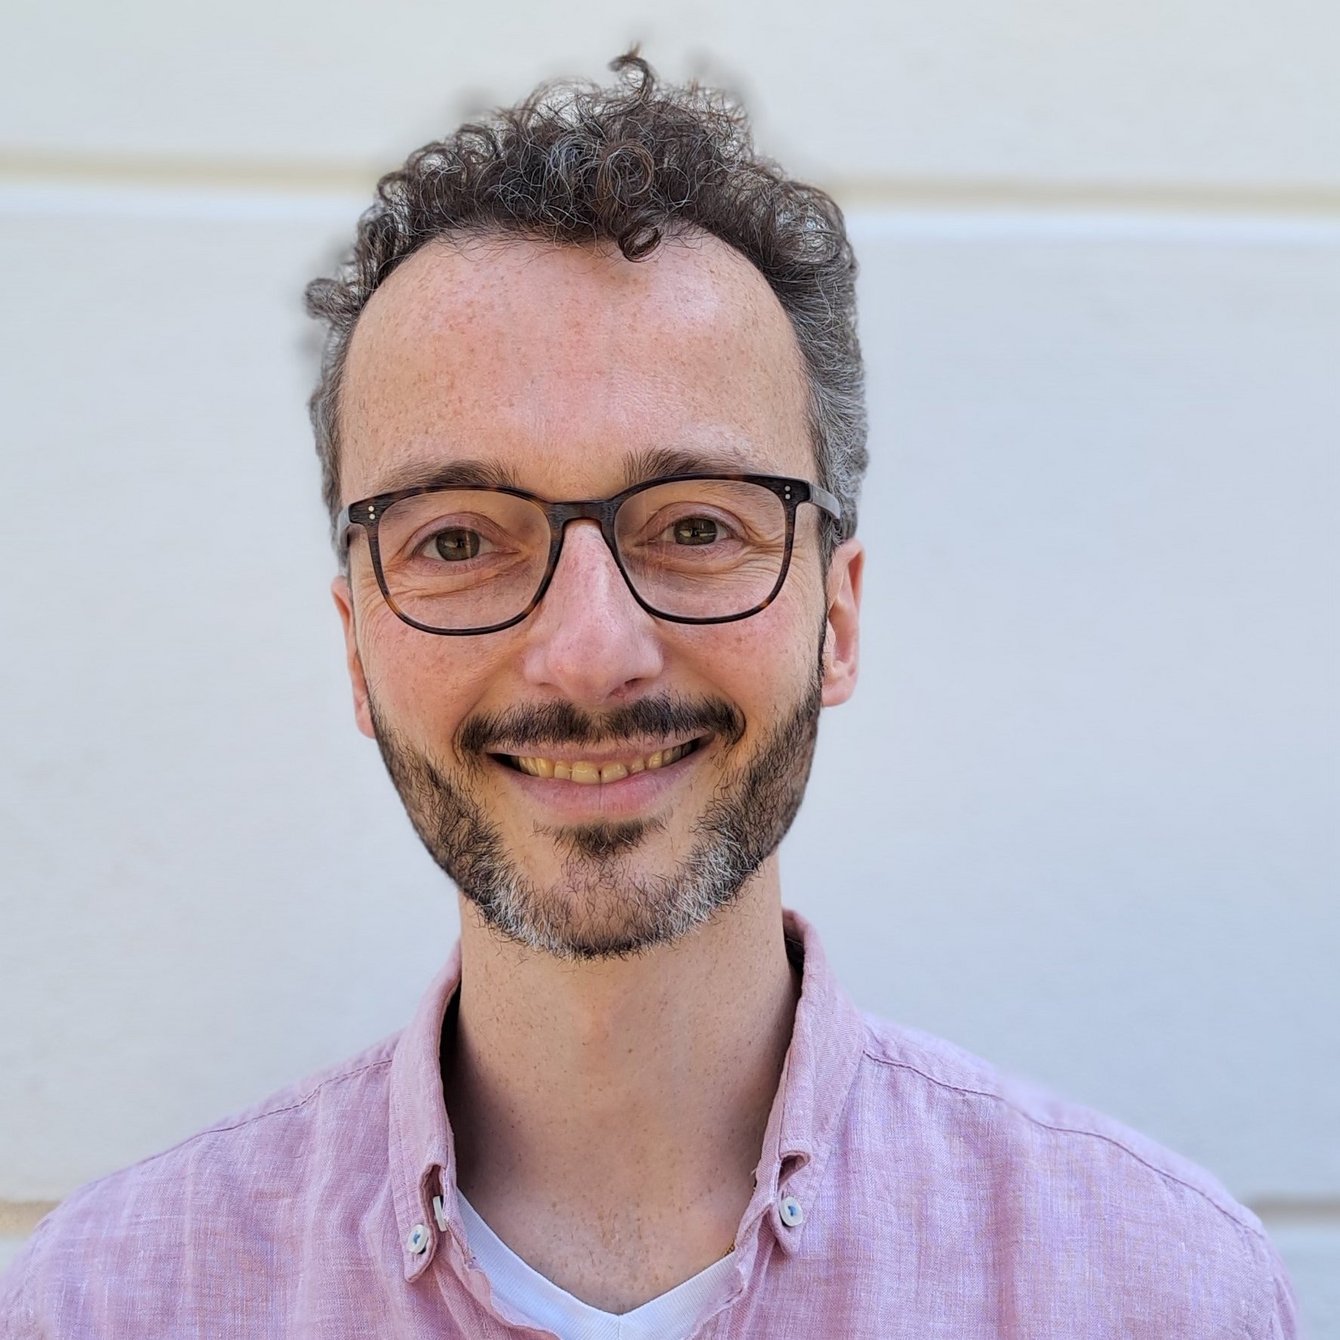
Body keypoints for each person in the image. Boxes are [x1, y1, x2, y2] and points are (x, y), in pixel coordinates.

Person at [1, 52, 1297, 1339]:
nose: (590, 652)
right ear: (355, 646)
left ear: (837, 616)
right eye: (459, 540)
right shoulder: (106, 1304)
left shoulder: (1158, 1292)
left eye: (694, 524)